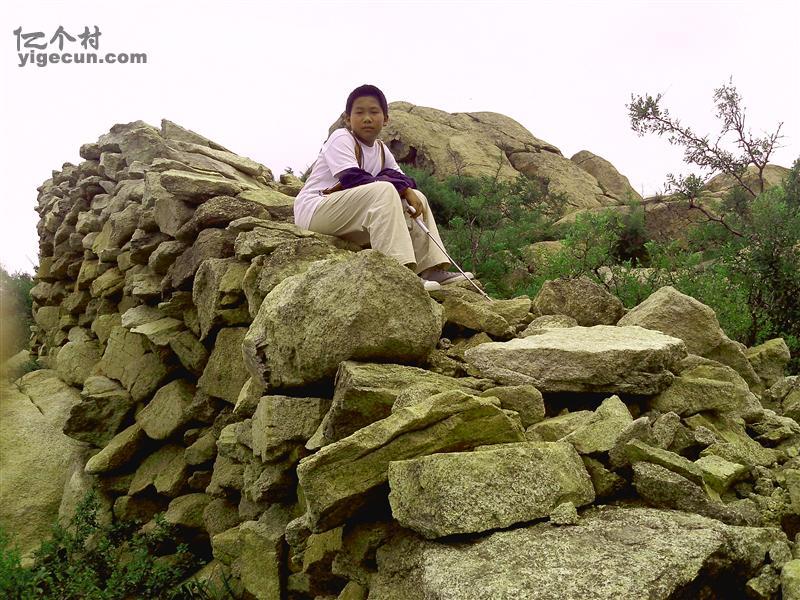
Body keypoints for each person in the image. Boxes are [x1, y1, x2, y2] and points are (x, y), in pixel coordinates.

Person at [293, 84, 473, 291]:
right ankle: (398, 272)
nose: (367, 118)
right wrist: (400, 187)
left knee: (418, 197)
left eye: (374, 112)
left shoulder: (381, 149)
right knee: (386, 190)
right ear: (347, 118)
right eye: (359, 112)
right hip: (315, 211)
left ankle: (431, 269)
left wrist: (405, 189)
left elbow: (405, 180)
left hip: (345, 216)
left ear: (385, 119)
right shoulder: (342, 138)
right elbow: (352, 178)